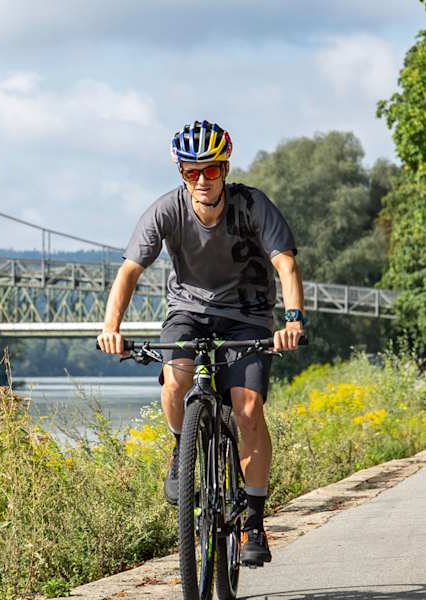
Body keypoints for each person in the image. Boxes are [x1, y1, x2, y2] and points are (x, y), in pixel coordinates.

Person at [97, 120, 305, 567]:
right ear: (181, 174)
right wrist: (111, 326)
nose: (202, 181)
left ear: (225, 168)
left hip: (248, 315)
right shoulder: (165, 211)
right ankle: (181, 447)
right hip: (187, 311)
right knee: (175, 381)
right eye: (192, 172)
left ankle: (252, 519)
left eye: (210, 170)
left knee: (248, 409)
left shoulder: (253, 206)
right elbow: (130, 271)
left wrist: (292, 319)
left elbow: (285, 264)